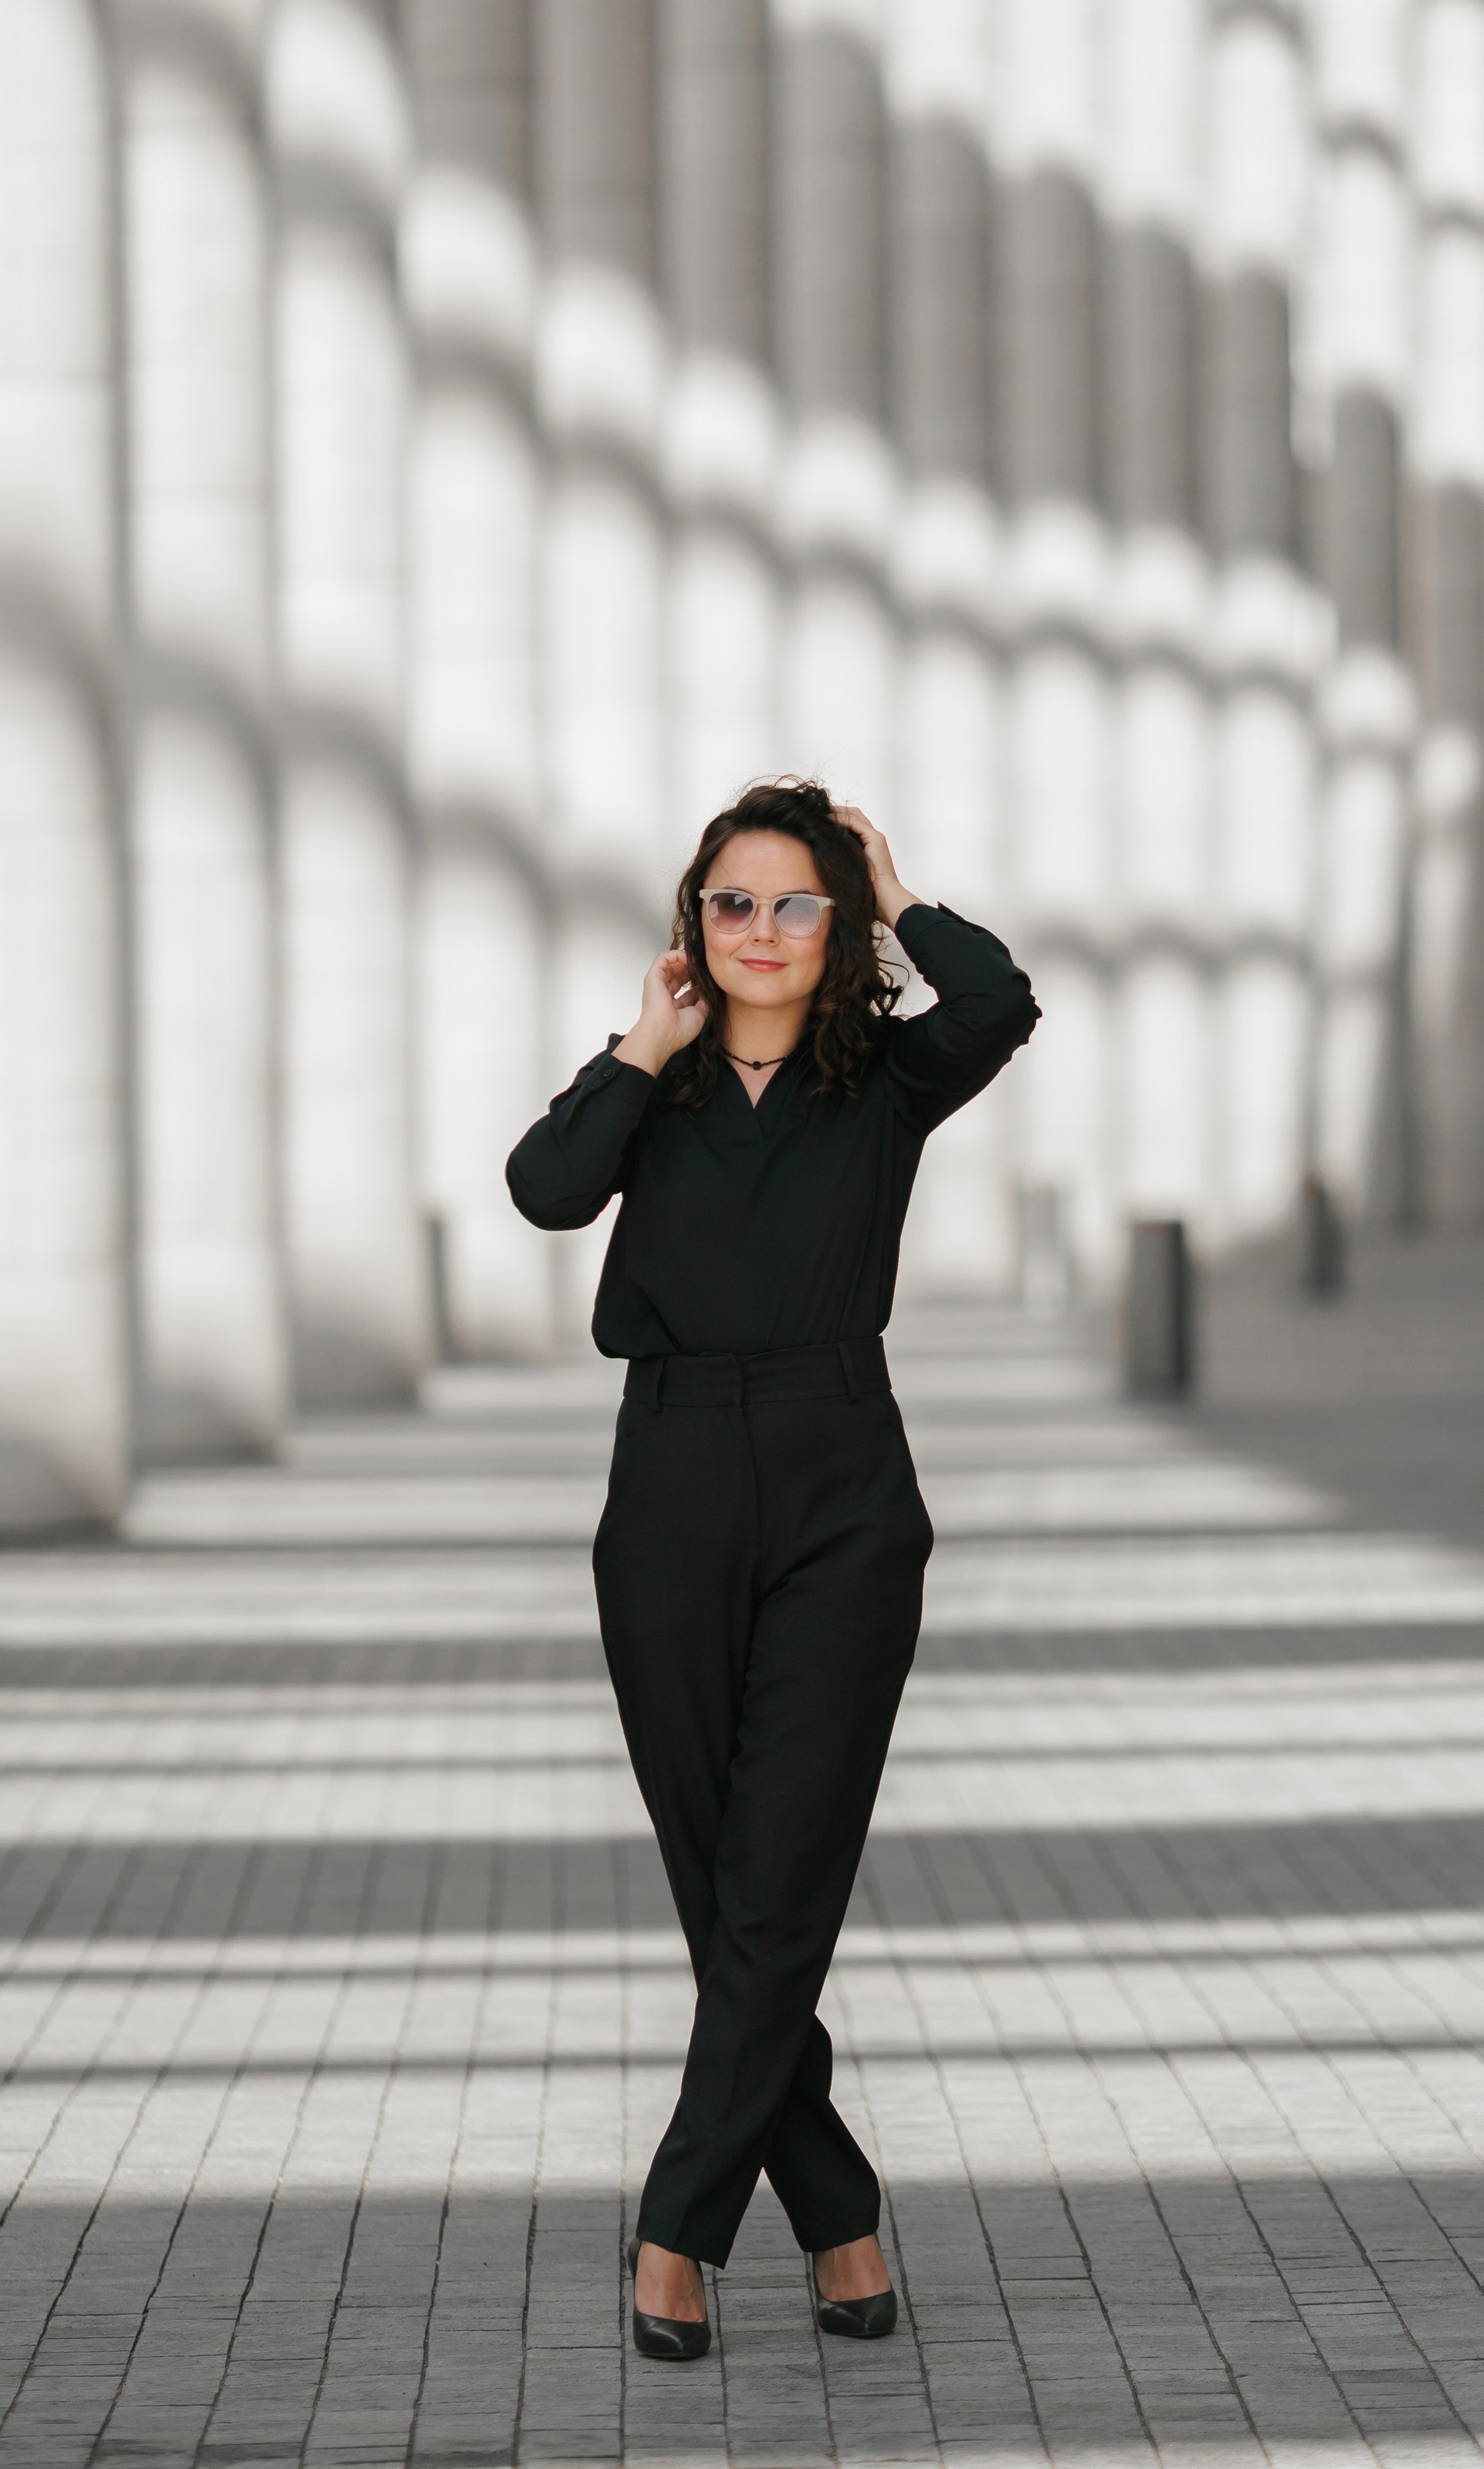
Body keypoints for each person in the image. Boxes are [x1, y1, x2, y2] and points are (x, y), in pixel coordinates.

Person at [506, 778, 1039, 2359]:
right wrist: (641, 1047)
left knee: (783, 1867)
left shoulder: (882, 1081)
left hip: (839, 1489)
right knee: (720, 1882)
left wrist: (900, 885)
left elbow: (998, 1001)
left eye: (795, 902)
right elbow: (544, 1191)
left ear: (841, 927)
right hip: (664, 1483)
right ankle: (836, 2214)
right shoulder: (647, 1090)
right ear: (692, 925)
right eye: (728, 903)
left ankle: (675, 2230)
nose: (758, 930)